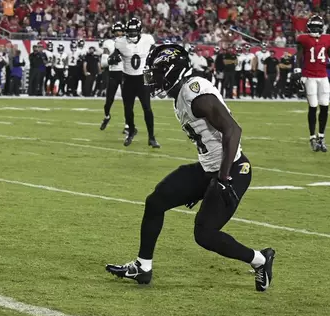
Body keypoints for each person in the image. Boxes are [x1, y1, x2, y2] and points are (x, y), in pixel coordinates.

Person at [106, 44, 275, 292]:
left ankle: (260, 259)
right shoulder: (181, 94)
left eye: (159, 71)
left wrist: (224, 178)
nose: (154, 77)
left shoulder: (194, 92)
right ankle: (143, 267)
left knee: (204, 234)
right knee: (156, 201)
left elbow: (233, 130)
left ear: (173, 70)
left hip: (232, 170)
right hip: (209, 169)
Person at [115, 18, 160, 148]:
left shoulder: (147, 40)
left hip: (143, 78)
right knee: (128, 109)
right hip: (128, 78)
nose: (132, 34)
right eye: (129, 32)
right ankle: (131, 130)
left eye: (134, 32)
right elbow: (115, 55)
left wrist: (151, 80)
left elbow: (153, 57)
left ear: (139, 31)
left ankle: (151, 137)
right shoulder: (120, 42)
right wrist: (114, 57)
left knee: (147, 108)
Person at [296, 14, 330, 152]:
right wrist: (298, 70)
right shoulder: (303, 39)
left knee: (325, 106)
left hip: (323, 76)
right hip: (309, 76)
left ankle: (321, 137)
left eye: (317, 26)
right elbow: (299, 55)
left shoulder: (327, 39)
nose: (315, 29)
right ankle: (312, 137)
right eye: (313, 26)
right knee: (313, 106)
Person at [100, 22, 124, 130]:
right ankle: (107, 116)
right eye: (117, 31)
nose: (119, 33)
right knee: (109, 100)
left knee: (127, 101)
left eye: (120, 31)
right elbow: (103, 63)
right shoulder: (108, 43)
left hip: (125, 73)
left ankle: (128, 125)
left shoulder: (129, 43)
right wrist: (112, 60)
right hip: (113, 73)